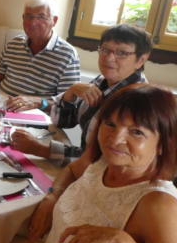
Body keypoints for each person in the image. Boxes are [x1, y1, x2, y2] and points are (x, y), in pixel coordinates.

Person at [0, 84, 177, 243]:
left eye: (136, 132)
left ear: (163, 144)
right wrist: (53, 196)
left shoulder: (159, 205)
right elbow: (73, 169)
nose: (115, 139)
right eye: (110, 124)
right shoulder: (103, 161)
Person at [11, 24, 152, 164]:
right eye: (105, 50)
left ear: (141, 60)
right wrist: (71, 92)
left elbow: (100, 162)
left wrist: (40, 149)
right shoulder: (102, 81)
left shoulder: (136, 102)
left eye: (121, 53)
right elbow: (66, 121)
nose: (109, 58)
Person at [0, 0, 80, 112]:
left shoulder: (67, 55)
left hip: (33, 117)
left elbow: (68, 106)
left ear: (54, 20)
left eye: (41, 17)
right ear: (23, 18)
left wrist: (38, 102)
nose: (33, 23)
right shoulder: (14, 44)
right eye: (29, 16)